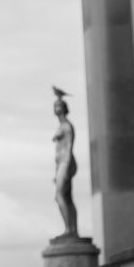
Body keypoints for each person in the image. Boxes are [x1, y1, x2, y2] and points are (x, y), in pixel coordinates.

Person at [52, 89, 77, 237]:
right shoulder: (62, 126)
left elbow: (68, 148)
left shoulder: (67, 126)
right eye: (55, 105)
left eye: (58, 105)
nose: (56, 108)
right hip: (61, 164)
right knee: (67, 197)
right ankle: (71, 229)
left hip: (66, 162)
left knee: (59, 195)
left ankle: (69, 229)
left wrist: (65, 168)